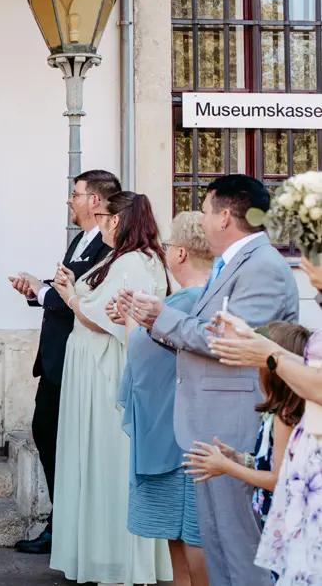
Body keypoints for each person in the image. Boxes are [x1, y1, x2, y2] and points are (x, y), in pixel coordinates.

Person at [121, 174, 299, 586]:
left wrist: (162, 317)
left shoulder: (264, 267)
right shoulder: (235, 263)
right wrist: (155, 323)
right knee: (217, 545)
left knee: (239, 548)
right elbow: (199, 338)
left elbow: (229, 342)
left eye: (203, 211)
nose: (199, 222)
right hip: (209, 422)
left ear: (224, 216)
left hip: (233, 422)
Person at [48, 191, 173, 585]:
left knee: (105, 456)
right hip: (89, 363)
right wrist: (75, 287)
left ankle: (115, 558)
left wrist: (70, 298)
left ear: (115, 220)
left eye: (100, 215)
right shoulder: (119, 257)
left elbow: (102, 319)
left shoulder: (135, 261)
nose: (96, 221)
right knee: (93, 455)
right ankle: (97, 552)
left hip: (104, 368)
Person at [8, 169, 118, 554]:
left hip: (76, 359)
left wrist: (42, 292)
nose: (70, 201)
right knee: (47, 435)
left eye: (76, 194)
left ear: (94, 201)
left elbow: (83, 298)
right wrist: (35, 289)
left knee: (60, 441)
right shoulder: (80, 240)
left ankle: (62, 528)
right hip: (56, 359)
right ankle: (63, 521)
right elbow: (64, 289)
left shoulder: (108, 247)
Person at [113, 211, 211, 586]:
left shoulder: (188, 301)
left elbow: (140, 356)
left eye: (169, 244)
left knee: (189, 537)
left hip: (177, 435)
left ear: (181, 253)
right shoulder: (199, 298)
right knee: (179, 532)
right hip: (184, 427)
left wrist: (131, 323)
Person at [205, 314, 322, 585]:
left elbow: (277, 480)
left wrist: (226, 467)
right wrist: (243, 459)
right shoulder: (281, 413)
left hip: (285, 519)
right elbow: (276, 463)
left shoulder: (284, 417)